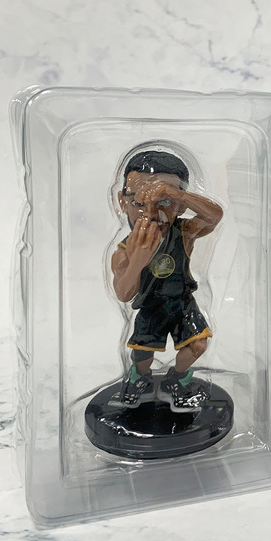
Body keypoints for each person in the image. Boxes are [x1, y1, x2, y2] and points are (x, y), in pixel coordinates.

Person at [110, 149, 223, 412]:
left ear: (179, 207)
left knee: (198, 344)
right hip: (152, 307)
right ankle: (139, 378)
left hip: (181, 302)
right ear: (122, 202)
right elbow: (124, 294)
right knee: (142, 355)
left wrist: (177, 194)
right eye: (138, 203)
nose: (150, 213)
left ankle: (177, 379)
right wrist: (138, 261)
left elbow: (215, 216)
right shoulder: (123, 252)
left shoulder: (184, 232)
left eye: (163, 202)